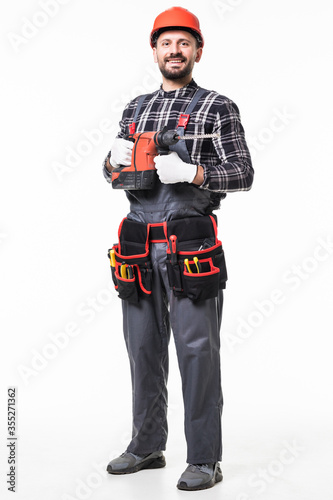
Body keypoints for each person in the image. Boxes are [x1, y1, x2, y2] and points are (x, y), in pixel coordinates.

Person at [102, 6, 254, 491]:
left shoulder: (218, 107)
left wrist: (194, 173)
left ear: (198, 51)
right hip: (137, 244)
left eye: (184, 43)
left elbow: (244, 173)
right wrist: (112, 161)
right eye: (166, 43)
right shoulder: (134, 109)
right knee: (142, 348)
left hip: (190, 243)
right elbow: (114, 179)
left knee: (197, 351)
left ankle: (205, 459)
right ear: (154, 50)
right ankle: (147, 445)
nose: (175, 50)